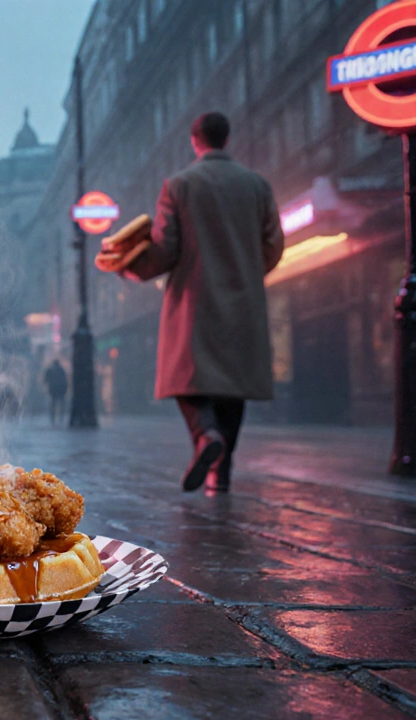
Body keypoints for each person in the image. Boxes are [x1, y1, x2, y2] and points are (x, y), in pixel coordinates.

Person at [121, 112, 284, 494]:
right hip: (244, 299)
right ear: (226, 139)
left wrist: (130, 266)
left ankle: (205, 434)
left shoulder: (179, 185)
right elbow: (274, 244)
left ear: (195, 141)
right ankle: (220, 475)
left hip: (193, 298)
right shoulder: (257, 185)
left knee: (186, 377)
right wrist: (247, 270)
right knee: (233, 385)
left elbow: (165, 250)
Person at [43, 358, 69, 427]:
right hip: (61, 389)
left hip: (53, 389)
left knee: (53, 404)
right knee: (61, 403)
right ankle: (61, 417)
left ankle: (53, 418)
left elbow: (45, 380)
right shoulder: (61, 370)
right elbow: (65, 380)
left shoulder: (50, 370)